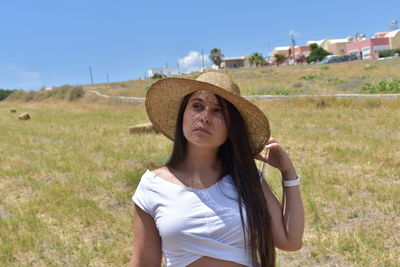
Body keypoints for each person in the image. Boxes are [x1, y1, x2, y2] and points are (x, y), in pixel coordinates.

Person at [131, 72, 304, 267]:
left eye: (218, 111)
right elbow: (143, 263)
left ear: (232, 126)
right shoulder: (152, 186)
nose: (205, 117)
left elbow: (290, 241)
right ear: (183, 115)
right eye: (197, 106)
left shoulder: (247, 178)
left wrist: (288, 173)